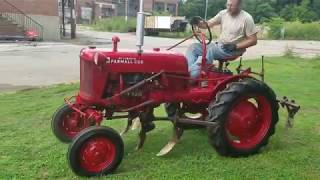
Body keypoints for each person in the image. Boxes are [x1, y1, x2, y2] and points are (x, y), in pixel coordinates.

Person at [187, 0, 258, 78]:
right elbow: (208, 24)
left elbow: (253, 40)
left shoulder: (247, 18)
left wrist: (235, 46)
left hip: (233, 50)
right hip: (219, 46)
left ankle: (191, 78)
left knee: (211, 51)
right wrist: (198, 23)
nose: (229, 8)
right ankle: (187, 72)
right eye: (228, 5)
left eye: (232, 6)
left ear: (239, 6)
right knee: (193, 47)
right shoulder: (223, 13)